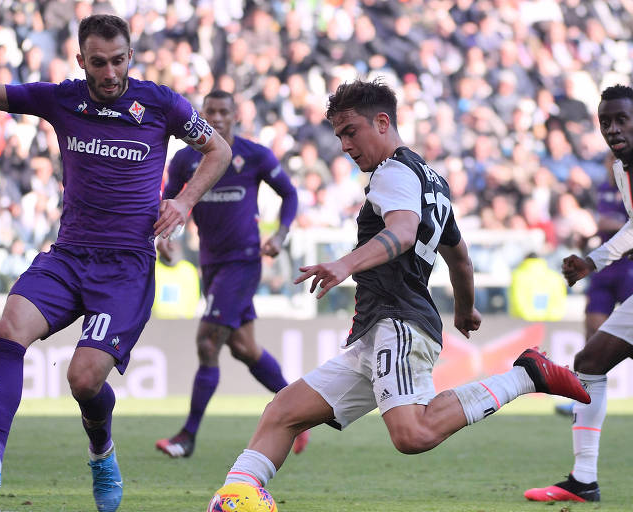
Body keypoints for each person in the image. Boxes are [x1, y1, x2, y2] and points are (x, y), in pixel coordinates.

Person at [213, 79, 589, 500]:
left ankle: (526, 375)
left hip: (399, 321)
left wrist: (345, 263)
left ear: (382, 121)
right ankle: (233, 499)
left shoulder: (392, 172)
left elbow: (404, 232)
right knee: (282, 412)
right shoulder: (431, 181)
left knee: (413, 433)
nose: (344, 145)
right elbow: (459, 257)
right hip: (377, 328)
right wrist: (466, 309)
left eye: (350, 131)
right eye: (338, 135)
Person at [0, 14, 231, 512]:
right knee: (10, 324)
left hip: (126, 268)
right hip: (68, 255)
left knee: (84, 380)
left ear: (131, 57)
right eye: (99, 62)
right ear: (81, 60)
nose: (109, 73)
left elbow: (218, 148)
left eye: (118, 61)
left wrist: (186, 200)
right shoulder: (61, 98)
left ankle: (102, 452)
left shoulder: (161, 103)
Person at [154, 90, 305, 458]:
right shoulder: (185, 160)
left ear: (235, 116)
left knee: (208, 342)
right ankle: (301, 416)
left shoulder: (254, 155)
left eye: (224, 112)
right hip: (212, 264)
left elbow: (290, 195)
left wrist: (280, 235)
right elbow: (168, 203)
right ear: (202, 115)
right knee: (244, 348)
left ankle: (187, 437)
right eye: (211, 112)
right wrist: (163, 237)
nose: (217, 118)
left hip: (244, 261)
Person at [524, 84, 633, 503]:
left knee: (589, 363)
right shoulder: (621, 169)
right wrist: (593, 261)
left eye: (622, 119)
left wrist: (595, 259)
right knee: (589, 363)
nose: (612, 128)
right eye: (605, 121)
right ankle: (583, 478)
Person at [554, 155, 633, 417]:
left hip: (627, 266)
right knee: (592, 333)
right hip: (603, 267)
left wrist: (615, 226)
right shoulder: (603, 189)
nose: (612, 164)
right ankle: (584, 396)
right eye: (609, 159)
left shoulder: (629, 182)